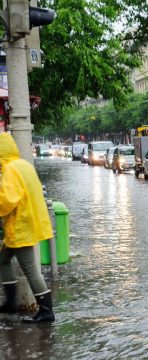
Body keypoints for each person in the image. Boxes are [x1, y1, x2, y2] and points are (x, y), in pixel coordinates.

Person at [0, 133, 55, 323]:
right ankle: (11, 302)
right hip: (25, 224)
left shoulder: (10, 169)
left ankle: (46, 311)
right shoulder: (23, 165)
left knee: (31, 270)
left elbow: (7, 200)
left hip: (20, 227)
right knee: (3, 259)